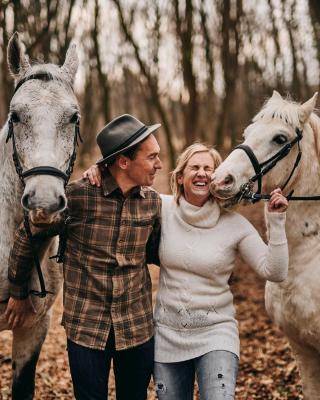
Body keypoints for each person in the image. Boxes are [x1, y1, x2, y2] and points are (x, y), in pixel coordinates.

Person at [84, 142, 289, 400]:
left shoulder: (236, 225)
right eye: (194, 167)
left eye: (208, 168)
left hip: (216, 334)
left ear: (217, 177)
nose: (201, 173)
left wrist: (276, 220)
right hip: (167, 338)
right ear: (180, 177)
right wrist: (101, 171)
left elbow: (275, 271)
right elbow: (124, 185)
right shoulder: (160, 207)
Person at [5, 114, 162, 400]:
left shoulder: (152, 203)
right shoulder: (77, 197)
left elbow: (159, 251)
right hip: (87, 329)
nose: (159, 164)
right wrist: (18, 292)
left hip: (136, 328)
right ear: (124, 162)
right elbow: (29, 234)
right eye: (152, 157)